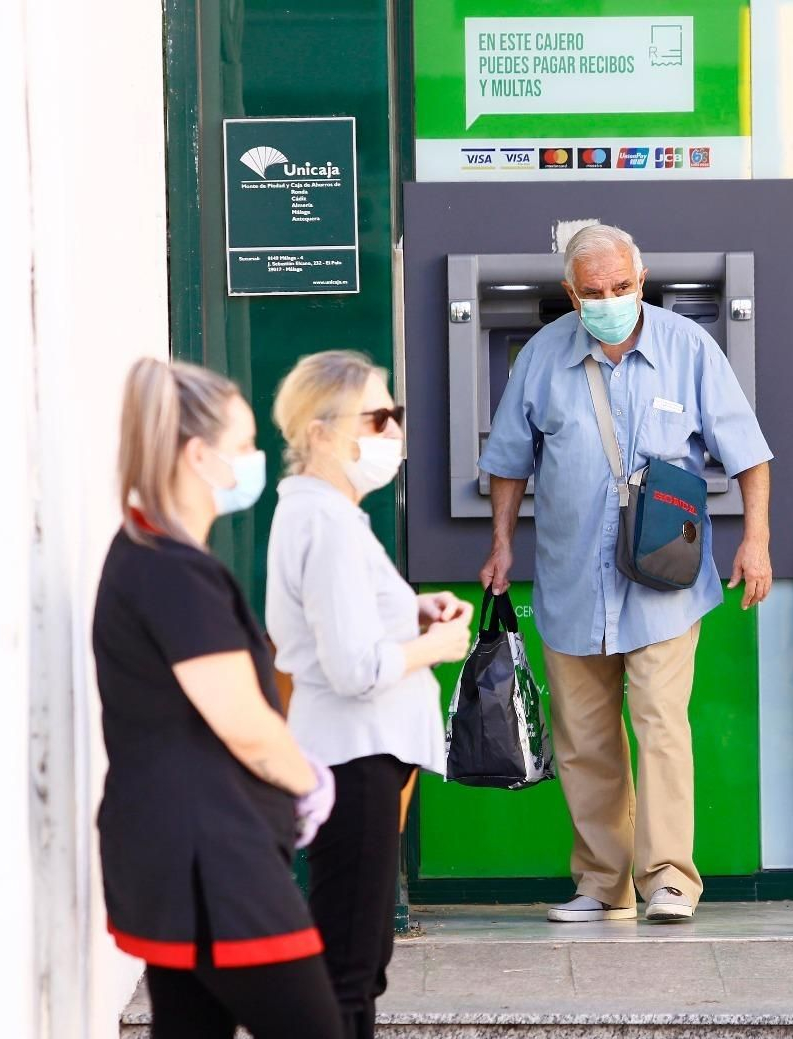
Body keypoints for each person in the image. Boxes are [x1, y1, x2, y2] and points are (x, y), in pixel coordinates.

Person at [478, 223, 774, 924]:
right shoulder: (543, 357)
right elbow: (508, 463)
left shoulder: (687, 347)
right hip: (571, 576)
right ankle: (602, 882)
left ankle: (669, 879)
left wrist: (755, 541)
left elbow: (749, 453)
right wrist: (499, 544)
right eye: (594, 291)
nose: (609, 300)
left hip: (665, 578)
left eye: (621, 287)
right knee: (583, 737)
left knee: (661, 723)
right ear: (569, 293)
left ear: (641, 283)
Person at [93, 358, 341, 1039]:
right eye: (244, 445)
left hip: (177, 853)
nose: (256, 460)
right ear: (198, 455)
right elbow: (243, 723)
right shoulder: (173, 571)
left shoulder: (145, 553)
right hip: (215, 861)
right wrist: (310, 780)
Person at [266, 350, 473, 1039]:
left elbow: (345, 618)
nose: (393, 431)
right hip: (353, 758)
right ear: (322, 432)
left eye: (396, 415)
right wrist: (435, 647)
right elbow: (353, 665)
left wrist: (412, 610)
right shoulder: (325, 522)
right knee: (350, 965)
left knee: (357, 956)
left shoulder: (329, 515)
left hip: (355, 756)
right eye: (378, 417)